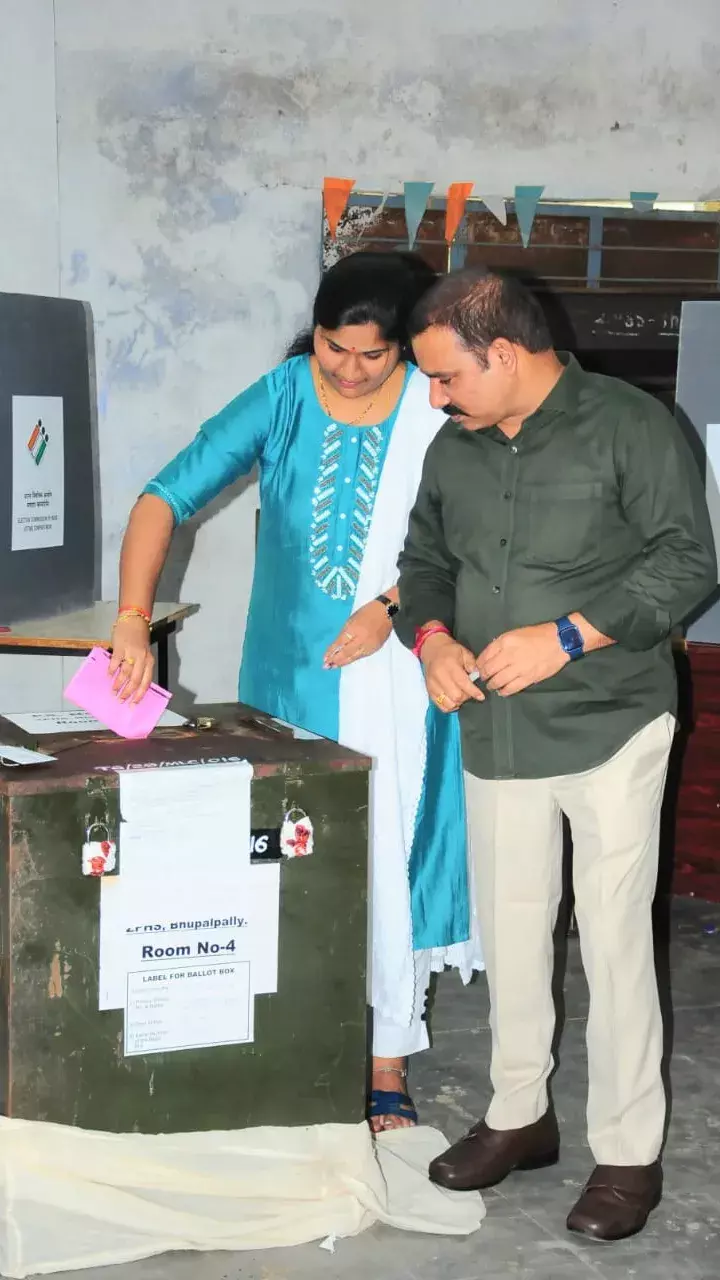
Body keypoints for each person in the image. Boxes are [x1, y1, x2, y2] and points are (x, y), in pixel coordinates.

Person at [110, 250, 483, 1132]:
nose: (350, 371)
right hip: (290, 679)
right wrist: (132, 615)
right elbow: (165, 496)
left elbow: (476, 533)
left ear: (406, 347)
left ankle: (388, 1056)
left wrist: (393, 606)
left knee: (392, 850)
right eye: (331, 348)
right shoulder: (282, 396)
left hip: (406, 666)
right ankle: (296, 1041)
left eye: (373, 355)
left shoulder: (438, 406)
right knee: (293, 859)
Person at [395, 266, 716, 1239]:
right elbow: (423, 560)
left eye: (447, 376)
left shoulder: (632, 426)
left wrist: (569, 634)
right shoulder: (453, 449)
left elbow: (687, 562)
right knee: (514, 931)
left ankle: (626, 1152)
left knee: (616, 946)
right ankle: (517, 1114)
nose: (436, 398)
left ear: (505, 351)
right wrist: (433, 636)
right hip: (494, 727)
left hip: (612, 723)